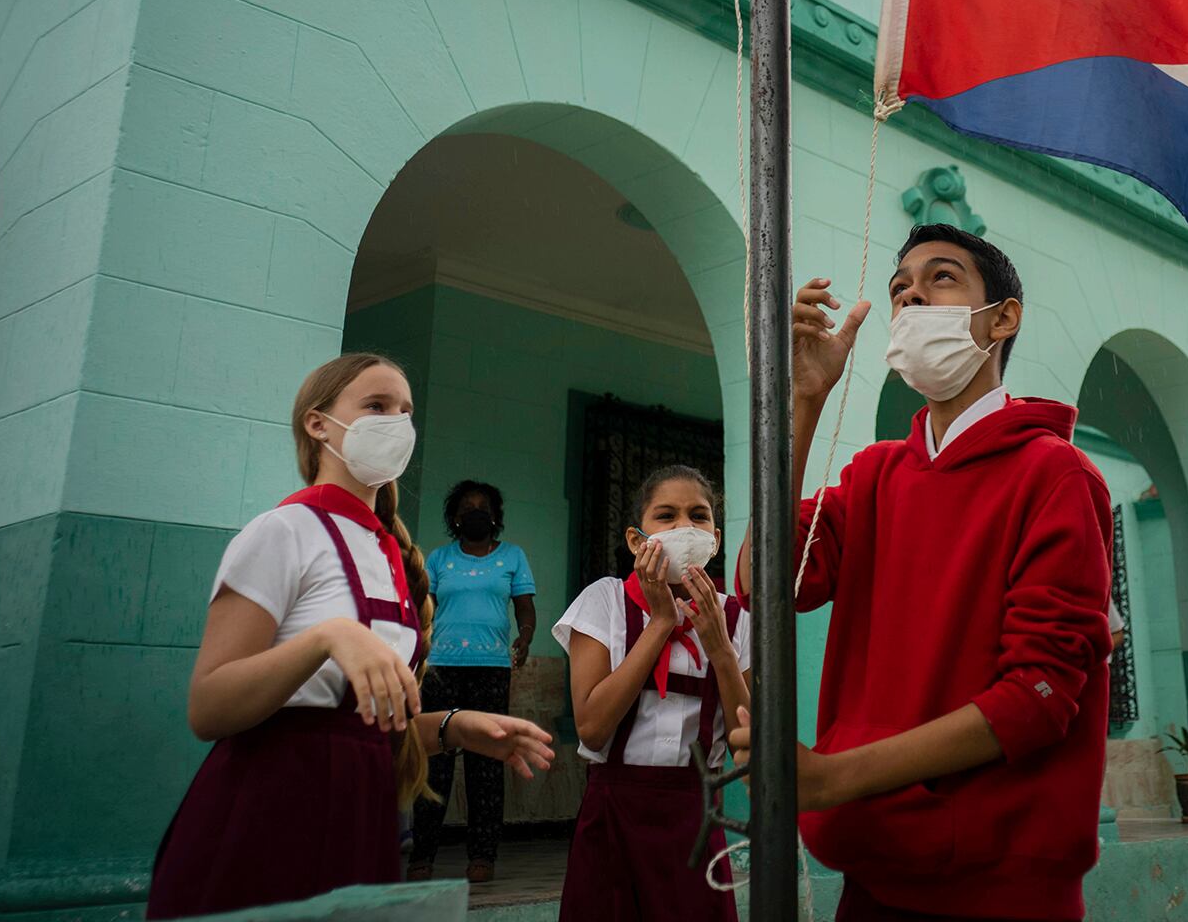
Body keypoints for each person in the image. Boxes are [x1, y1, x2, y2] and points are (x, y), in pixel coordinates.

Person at [733, 224, 1114, 922]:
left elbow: (1038, 694)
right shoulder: (876, 474)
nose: (911, 295)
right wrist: (805, 401)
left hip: (1001, 888)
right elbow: (764, 584)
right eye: (899, 288)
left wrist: (828, 776)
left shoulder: (1055, 474)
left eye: (941, 278)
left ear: (1001, 318)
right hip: (873, 871)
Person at [146, 354, 555, 919]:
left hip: (364, 820)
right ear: (318, 424)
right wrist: (326, 637)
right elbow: (209, 707)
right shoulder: (283, 532)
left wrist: (456, 728)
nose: (396, 422)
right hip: (270, 816)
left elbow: (360, 729)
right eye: (376, 406)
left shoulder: (391, 554)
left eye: (406, 411)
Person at [553, 465, 751, 922]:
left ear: (715, 539)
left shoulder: (736, 618)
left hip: (697, 820)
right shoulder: (604, 601)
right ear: (637, 540)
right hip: (614, 815)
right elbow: (593, 727)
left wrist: (720, 648)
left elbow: (752, 738)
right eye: (666, 515)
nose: (684, 527)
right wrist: (661, 623)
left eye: (698, 516)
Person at [409, 479, 539, 883]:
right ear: (454, 517)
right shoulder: (438, 559)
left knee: (487, 763)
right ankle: (421, 856)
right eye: (467, 507)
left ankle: (483, 855)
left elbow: (525, 608)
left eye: (483, 506)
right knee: (434, 764)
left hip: (491, 669)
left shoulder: (513, 557)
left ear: (495, 516)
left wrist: (526, 636)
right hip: (441, 669)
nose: (475, 512)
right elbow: (421, 607)